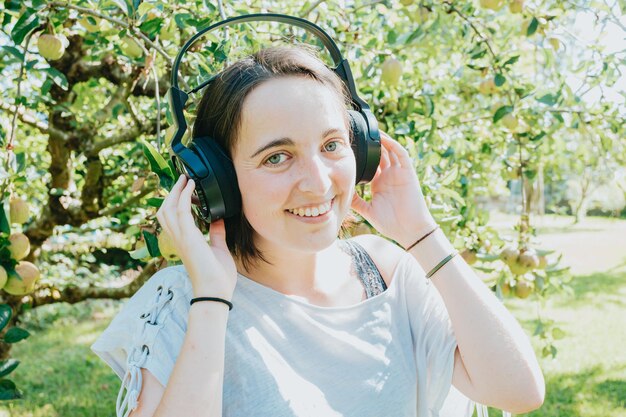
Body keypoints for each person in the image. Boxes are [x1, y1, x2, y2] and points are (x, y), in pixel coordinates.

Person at [91, 45, 545, 417]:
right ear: (219, 180)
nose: (319, 181)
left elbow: (519, 391)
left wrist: (421, 233)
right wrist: (211, 300)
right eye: (277, 156)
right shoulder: (182, 302)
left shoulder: (388, 274)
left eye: (332, 146)